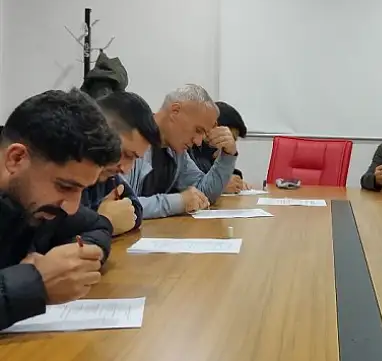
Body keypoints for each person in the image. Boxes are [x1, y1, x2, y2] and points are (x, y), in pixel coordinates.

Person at [0, 89, 121, 330]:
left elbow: (97, 226)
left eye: (82, 190)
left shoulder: (42, 205)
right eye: (65, 186)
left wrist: (75, 262)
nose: (72, 207)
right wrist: (35, 283)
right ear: (16, 158)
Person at [124, 84, 238, 219]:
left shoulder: (177, 151)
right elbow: (122, 207)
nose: (198, 142)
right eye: (198, 130)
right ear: (175, 111)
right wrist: (179, 202)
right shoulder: (130, 140)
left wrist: (228, 155)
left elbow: (204, 193)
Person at [81, 91, 160, 236]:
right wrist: (103, 221)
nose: (126, 169)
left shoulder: (108, 174)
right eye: (126, 155)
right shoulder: (73, 170)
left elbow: (135, 209)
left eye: (135, 159)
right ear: (103, 132)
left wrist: (106, 221)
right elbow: (64, 235)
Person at [188, 101, 250, 194]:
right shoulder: (189, 151)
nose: (231, 145)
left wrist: (236, 181)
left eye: (233, 141)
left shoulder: (211, 156)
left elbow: (231, 172)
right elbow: (194, 186)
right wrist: (221, 186)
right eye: (228, 138)